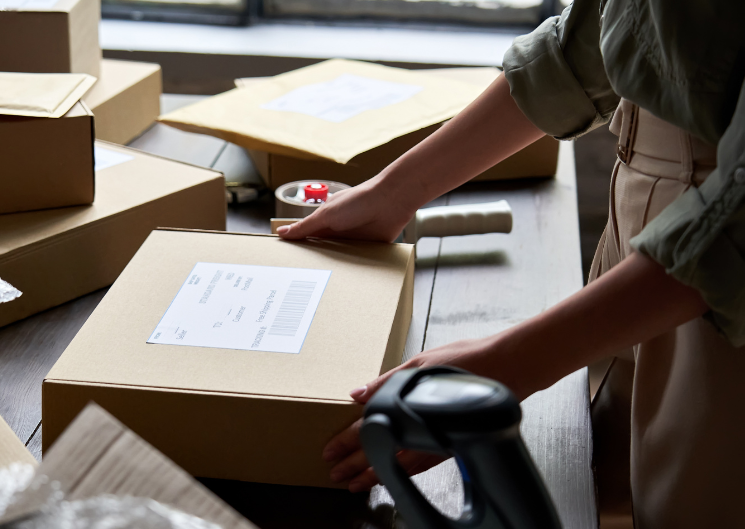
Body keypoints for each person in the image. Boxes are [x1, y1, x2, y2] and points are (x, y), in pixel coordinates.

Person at [276, 1, 745, 527]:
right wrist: (395, 191)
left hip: (718, 287)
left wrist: (507, 363)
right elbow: (595, 36)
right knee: (614, 491)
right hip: (647, 247)